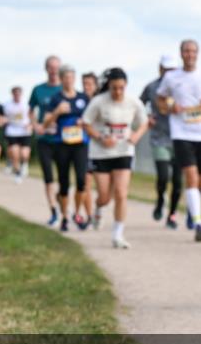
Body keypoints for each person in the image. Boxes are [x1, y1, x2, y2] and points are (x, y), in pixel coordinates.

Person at [156, 39, 201, 242]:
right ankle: (198, 223)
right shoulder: (171, 77)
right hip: (182, 133)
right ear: (181, 53)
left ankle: (193, 207)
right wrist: (171, 106)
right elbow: (160, 100)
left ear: (198, 53)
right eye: (186, 51)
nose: (189, 54)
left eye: (193, 51)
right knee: (191, 177)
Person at [82, 68, 148, 248]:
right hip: (101, 153)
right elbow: (86, 123)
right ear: (108, 86)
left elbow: (144, 123)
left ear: (126, 86)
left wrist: (136, 136)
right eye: (114, 88)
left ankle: (118, 234)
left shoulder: (133, 102)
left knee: (121, 193)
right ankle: (98, 209)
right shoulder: (98, 102)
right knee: (105, 196)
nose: (118, 92)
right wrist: (100, 138)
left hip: (124, 151)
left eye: (121, 88)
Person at [42, 65, 92, 232]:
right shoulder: (56, 99)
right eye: (66, 78)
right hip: (61, 144)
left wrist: (83, 122)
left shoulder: (83, 98)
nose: (69, 80)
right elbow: (45, 123)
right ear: (61, 79)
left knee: (81, 181)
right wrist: (57, 112)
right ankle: (64, 217)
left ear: (74, 79)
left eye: (71, 77)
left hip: (80, 144)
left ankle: (76, 212)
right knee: (64, 182)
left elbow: (93, 118)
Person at [140, 54, 183, 229]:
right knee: (163, 176)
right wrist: (146, 117)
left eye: (172, 70)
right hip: (159, 138)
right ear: (160, 69)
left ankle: (172, 215)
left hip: (180, 139)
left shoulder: (182, 86)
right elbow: (139, 104)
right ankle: (160, 201)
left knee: (178, 182)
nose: (169, 73)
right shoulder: (152, 87)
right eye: (166, 70)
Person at [29, 55, 63, 225]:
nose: (54, 70)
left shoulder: (66, 88)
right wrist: (35, 125)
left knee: (63, 178)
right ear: (46, 69)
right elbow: (30, 110)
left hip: (62, 139)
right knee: (48, 177)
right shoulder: (38, 90)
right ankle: (53, 211)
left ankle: (60, 198)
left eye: (56, 67)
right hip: (44, 139)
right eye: (51, 67)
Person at [78, 72, 99, 227]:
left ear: (96, 86)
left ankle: (98, 211)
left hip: (102, 149)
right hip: (84, 147)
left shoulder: (102, 102)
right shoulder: (79, 102)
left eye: (89, 84)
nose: (86, 87)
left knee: (104, 186)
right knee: (86, 183)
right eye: (84, 84)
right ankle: (89, 215)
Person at [3, 86, 32, 182]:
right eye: (15, 93)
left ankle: (24, 164)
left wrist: (31, 124)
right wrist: (4, 121)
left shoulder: (26, 104)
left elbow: (32, 116)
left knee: (24, 154)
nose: (17, 95)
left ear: (21, 94)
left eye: (19, 93)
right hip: (12, 131)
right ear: (12, 94)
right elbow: (3, 117)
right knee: (15, 154)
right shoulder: (7, 105)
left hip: (25, 131)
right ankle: (18, 173)